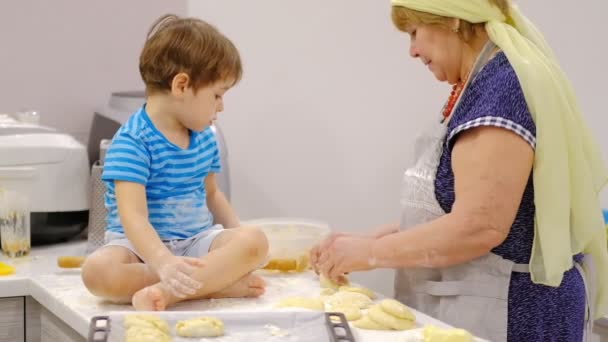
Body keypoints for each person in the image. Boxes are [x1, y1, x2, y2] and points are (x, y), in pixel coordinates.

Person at [311, 1, 608, 341]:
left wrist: (370, 254)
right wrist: (371, 239)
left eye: (413, 33)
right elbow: (456, 209)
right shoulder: (480, 83)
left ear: (453, 20)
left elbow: (480, 225)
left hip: (515, 314)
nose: (413, 51)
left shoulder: (501, 89)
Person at [81, 14, 268, 311]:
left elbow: (212, 194)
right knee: (98, 273)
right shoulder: (132, 142)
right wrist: (164, 261)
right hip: (140, 250)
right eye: (217, 95)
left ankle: (177, 290)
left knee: (256, 240)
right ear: (182, 85)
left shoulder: (205, 136)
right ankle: (213, 284)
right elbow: (134, 219)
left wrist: (239, 239)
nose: (222, 106)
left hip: (196, 242)